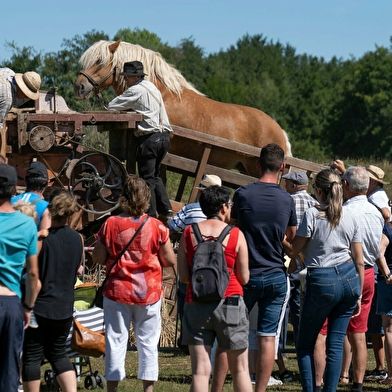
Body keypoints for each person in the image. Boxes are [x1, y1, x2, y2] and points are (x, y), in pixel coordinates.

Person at [92, 174, 176, 392]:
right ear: (146, 197)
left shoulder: (111, 223)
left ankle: (112, 389)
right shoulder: (157, 227)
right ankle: (147, 389)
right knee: (148, 343)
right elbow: (169, 260)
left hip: (117, 292)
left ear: (124, 197)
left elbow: (99, 257)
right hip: (148, 293)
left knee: (115, 341)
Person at [283, 168, 364, 392]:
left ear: (318, 191)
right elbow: (359, 259)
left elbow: (293, 251)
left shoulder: (312, 215)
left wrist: (280, 236)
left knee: (306, 343)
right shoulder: (350, 216)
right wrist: (358, 291)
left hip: (322, 278)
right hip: (349, 277)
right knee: (335, 344)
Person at [231, 143, 297, 392]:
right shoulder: (287, 200)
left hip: (245, 275)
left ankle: (237, 381)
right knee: (268, 337)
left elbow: (233, 229)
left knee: (235, 332)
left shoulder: (243, 194)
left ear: (258, 164)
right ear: (282, 167)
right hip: (275, 275)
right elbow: (291, 243)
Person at [177, 185, 252, 392]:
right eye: (229, 205)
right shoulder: (236, 234)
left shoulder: (188, 233)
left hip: (196, 302)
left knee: (200, 371)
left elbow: (184, 277)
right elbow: (244, 278)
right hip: (231, 302)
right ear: (223, 207)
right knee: (240, 370)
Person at [22, 190, 84, 392]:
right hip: (65, 307)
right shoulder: (78, 240)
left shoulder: (42, 240)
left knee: (31, 355)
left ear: (50, 211)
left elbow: (29, 268)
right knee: (58, 353)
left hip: (40, 307)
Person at [108, 61, 173, 221]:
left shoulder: (135, 90)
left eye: (128, 77)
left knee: (147, 178)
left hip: (150, 139)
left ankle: (150, 215)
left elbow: (111, 106)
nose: (126, 80)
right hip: (164, 137)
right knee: (155, 175)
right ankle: (167, 209)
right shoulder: (151, 87)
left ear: (137, 76)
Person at [168, 173, 222, 351]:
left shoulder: (190, 209)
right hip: (217, 267)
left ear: (201, 194)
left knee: (185, 299)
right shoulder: (225, 214)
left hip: (194, 265)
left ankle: (186, 340)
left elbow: (173, 226)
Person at [0, 164, 40, 392]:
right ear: (14, 189)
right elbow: (33, 273)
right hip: (11, 301)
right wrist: (28, 306)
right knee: (9, 371)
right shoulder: (26, 224)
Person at [281, 170, 316, 349]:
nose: (285, 186)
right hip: (309, 259)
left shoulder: (287, 201)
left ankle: (281, 349)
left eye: (287, 183)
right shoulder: (315, 203)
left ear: (293, 186)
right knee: (300, 306)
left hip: (289, 256)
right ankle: (303, 344)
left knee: (284, 305)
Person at [375, 221, 392, 387]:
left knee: (389, 330)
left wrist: (387, 274)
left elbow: (379, 252)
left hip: (388, 283)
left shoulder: (388, 229)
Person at [12, 161, 51, 232]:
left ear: (25, 181)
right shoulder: (45, 208)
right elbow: (44, 239)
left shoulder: (9, 202)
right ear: (47, 183)